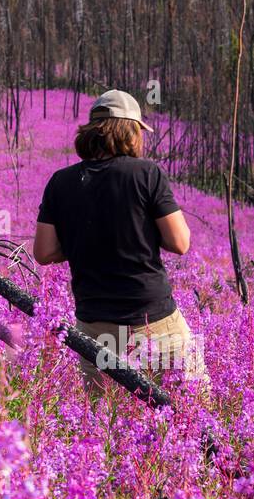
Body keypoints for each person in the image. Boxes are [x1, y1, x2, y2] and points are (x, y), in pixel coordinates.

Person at [33, 89, 206, 393]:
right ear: (129, 130)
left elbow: (44, 251)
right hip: (154, 323)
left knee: (106, 425)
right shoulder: (146, 174)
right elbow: (180, 242)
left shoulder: (60, 182)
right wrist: (138, 232)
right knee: (191, 408)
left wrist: (84, 241)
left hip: (93, 327)